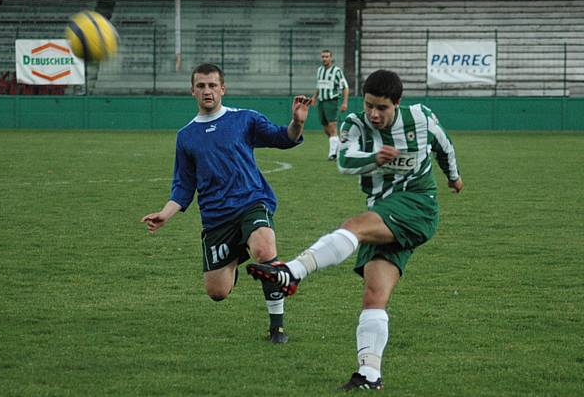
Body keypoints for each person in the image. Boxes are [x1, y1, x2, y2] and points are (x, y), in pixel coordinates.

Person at [248, 69, 464, 387]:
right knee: (374, 296)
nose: (374, 114)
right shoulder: (354, 125)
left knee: (354, 227)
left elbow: (444, 147)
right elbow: (344, 161)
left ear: (398, 103)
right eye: (369, 106)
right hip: (382, 211)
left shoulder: (421, 118)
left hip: (418, 205)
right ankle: (369, 375)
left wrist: (453, 177)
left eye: (383, 108)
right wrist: (375, 157)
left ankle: (292, 272)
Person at [141, 63, 311, 344]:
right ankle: (236, 256)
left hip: (251, 201)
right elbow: (183, 186)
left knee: (265, 249)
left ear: (223, 89)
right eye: (201, 86)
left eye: (212, 85)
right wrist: (165, 214)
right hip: (216, 217)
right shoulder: (186, 136)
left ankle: (277, 328)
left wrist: (298, 122)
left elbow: (283, 138)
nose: (207, 91)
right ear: (192, 91)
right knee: (217, 292)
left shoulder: (244, 119)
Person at [310, 49, 349, 161]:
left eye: (327, 56)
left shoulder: (337, 71)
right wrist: (314, 97)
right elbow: (319, 86)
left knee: (332, 127)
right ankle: (339, 147)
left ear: (331, 58)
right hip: (321, 102)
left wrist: (344, 102)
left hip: (332, 101)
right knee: (326, 129)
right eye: (323, 57)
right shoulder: (320, 70)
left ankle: (333, 154)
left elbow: (345, 87)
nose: (324, 59)